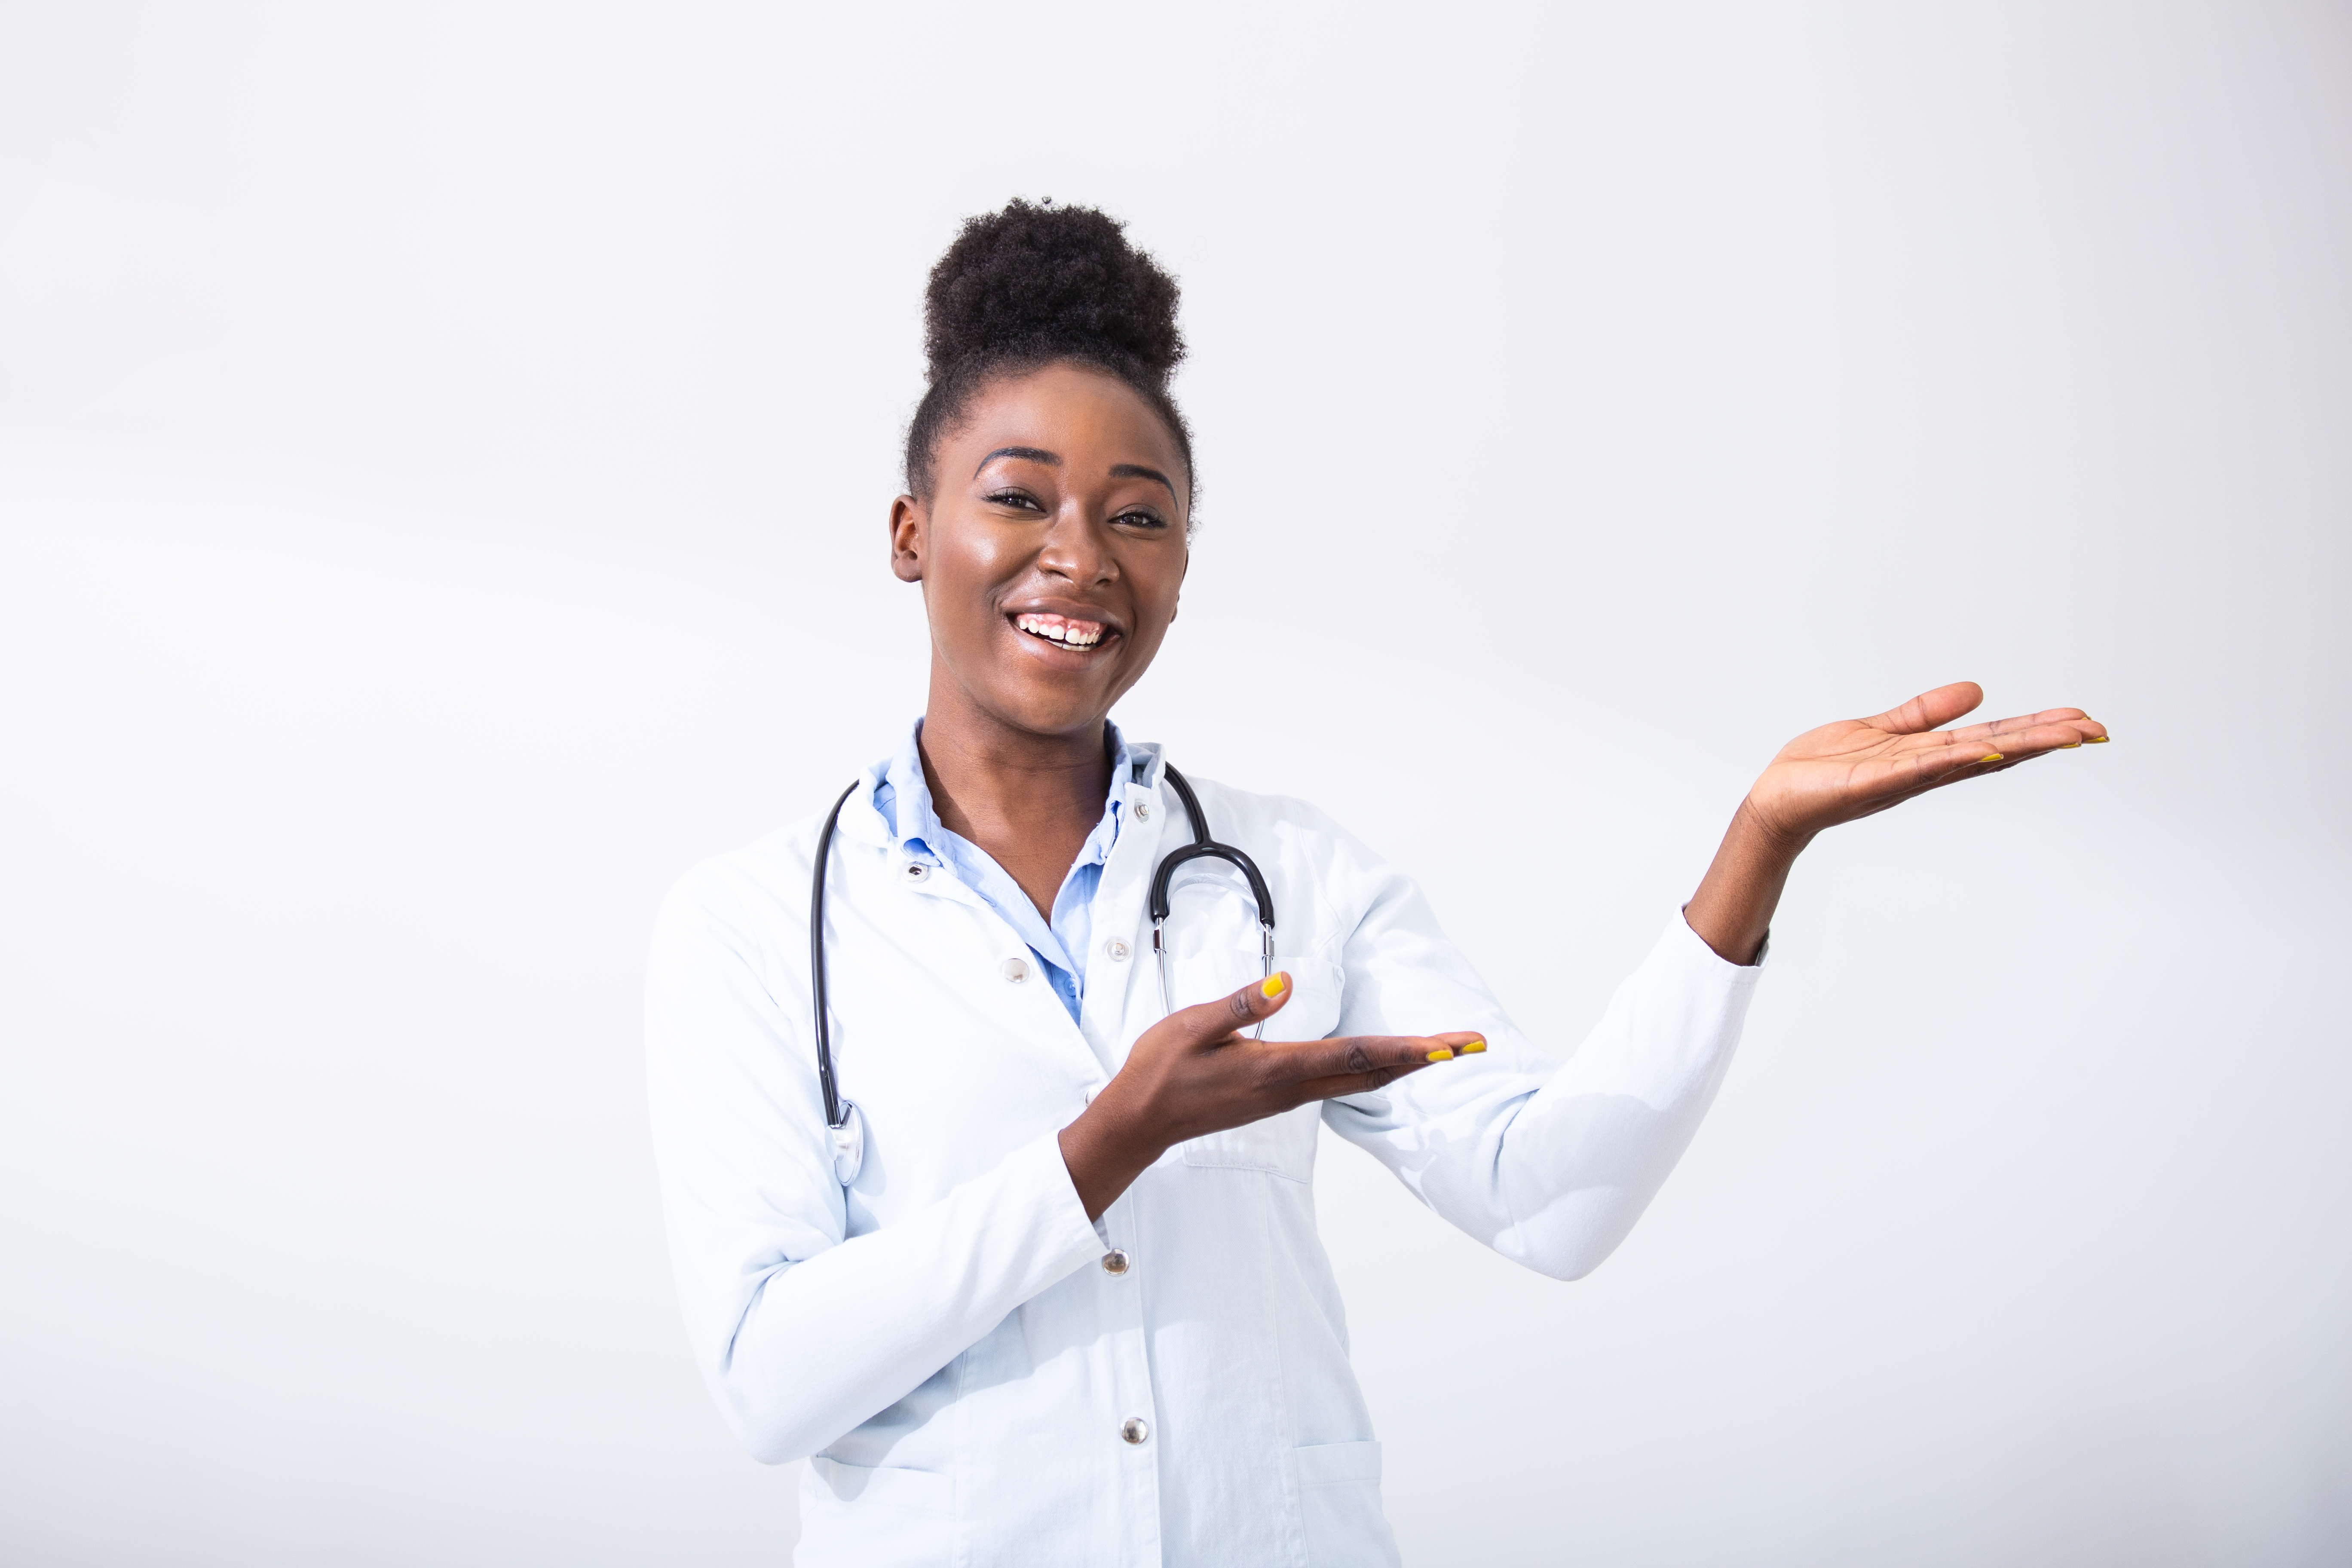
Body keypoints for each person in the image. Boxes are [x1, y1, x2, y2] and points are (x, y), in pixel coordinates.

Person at [644, 199, 2106, 1568]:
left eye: (1139, 515)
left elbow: (1555, 1202)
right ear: (913, 534)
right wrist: (1109, 1143)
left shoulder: (1291, 877)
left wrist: (1755, 850)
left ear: (1182, 563)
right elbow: (772, 1387)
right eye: (1019, 498)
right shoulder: (759, 928)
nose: (1079, 557)